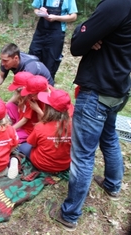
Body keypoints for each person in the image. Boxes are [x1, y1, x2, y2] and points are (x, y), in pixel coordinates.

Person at [49, 0, 131, 231]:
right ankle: (113, 185)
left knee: (83, 155)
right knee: (109, 137)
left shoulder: (116, 4)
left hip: (98, 89)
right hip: (118, 86)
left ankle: (70, 214)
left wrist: (84, 32)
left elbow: (77, 45)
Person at [18, 89, 72, 172]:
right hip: (64, 165)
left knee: (22, 146)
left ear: (48, 107)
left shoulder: (40, 126)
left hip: (41, 164)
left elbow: (31, 143)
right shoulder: (74, 126)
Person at [28, 0, 77, 80]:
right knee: (33, 59)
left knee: (51, 63)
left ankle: (47, 87)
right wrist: (40, 12)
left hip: (56, 34)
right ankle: (31, 86)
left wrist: (56, 18)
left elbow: (73, 16)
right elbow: (35, 9)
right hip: (40, 33)